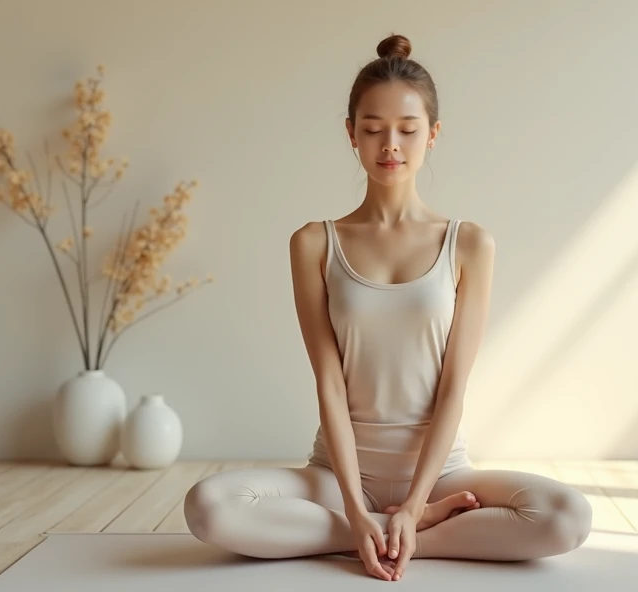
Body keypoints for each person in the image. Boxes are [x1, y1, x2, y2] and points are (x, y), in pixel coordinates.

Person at [183, 33, 593, 582]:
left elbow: (453, 388)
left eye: (407, 130)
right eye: (373, 130)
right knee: (208, 506)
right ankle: (388, 530)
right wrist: (355, 509)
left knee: (568, 517)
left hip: (441, 473)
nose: (390, 145)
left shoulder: (469, 243)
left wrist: (418, 498)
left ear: (434, 134)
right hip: (340, 474)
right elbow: (328, 383)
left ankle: (409, 532)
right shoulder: (313, 243)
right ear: (351, 134)